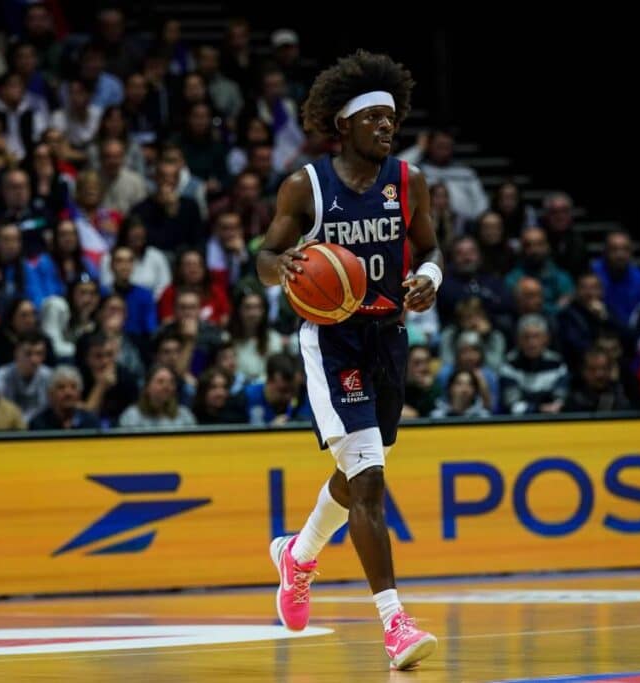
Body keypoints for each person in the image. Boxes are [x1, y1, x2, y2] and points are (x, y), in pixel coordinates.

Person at [256, 51, 439, 669]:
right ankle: (395, 624)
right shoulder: (305, 186)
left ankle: (298, 556)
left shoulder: (408, 181)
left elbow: (430, 246)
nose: (387, 127)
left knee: (357, 468)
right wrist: (279, 266)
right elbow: (265, 252)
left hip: (387, 336)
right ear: (345, 125)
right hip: (332, 342)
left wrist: (430, 278)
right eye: (375, 119)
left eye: (392, 118)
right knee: (369, 478)